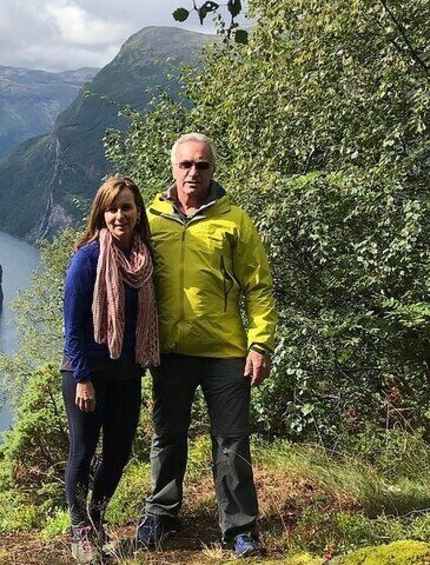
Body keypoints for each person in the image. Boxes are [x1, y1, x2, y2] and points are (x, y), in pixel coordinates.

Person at [136, 133, 277, 557]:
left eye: (202, 165)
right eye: (186, 165)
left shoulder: (235, 220)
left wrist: (261, 344)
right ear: (173, 168)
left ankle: (239, 528)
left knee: (231, 440)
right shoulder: (151, 219)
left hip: (224, 351)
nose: (193, 173)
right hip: (170, 351)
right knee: (167, 435)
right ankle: (161, 514)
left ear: (213, 169)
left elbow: (260, 287)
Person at [61, 176, 160, 563]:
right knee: (83, 452)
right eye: (112, 208)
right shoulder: (87, 258)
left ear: (138, 212)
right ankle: (80, 530)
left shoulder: (144, 260)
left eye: (127, 207)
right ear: (102, 213)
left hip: (126, 373)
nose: (120, 215)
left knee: (118, 453)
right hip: (86, 373)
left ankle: (97, 517)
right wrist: (83, 378)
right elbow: (73, 327)